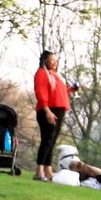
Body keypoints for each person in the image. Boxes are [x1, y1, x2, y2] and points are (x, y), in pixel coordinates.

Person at [32, 50, 73, 184]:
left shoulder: (54, 75)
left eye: (56, 60)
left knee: (52, 141)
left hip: (59, 110)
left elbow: (57, 92)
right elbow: (41, 92)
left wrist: (69, 91)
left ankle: (48, 170)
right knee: (47, 140)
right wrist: (47, 111)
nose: (55, 63)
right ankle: (39, 171)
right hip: (49, 110)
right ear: (45, 61)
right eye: (52, 60)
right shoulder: (41, 73)